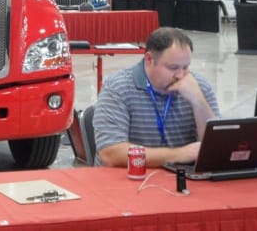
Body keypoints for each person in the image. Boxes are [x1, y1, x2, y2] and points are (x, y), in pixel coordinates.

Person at [93, 27, 220, 167]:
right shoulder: (118, 88)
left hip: (181, 177)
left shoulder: (197, 86)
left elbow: (217, 149)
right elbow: (111, 154)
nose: (180, 75)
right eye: (173, 67)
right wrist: (180, 154)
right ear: (149, 59)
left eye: (185, 67)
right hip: (129, 177)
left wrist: (198, 102)